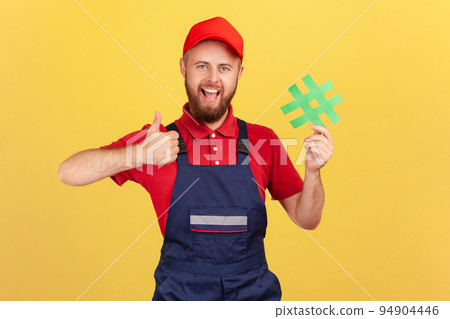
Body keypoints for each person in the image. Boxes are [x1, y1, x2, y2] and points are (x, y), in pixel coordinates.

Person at [58, 16, 334, 301]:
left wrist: (313, 172)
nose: (213, 79)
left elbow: (307, 219)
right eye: (202, 66)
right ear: (183, 68)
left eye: (224, 68)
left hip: (254, 298)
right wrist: (138, 154)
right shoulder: (157, 141)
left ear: (239, 74)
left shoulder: (263, 141)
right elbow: (69, 172)